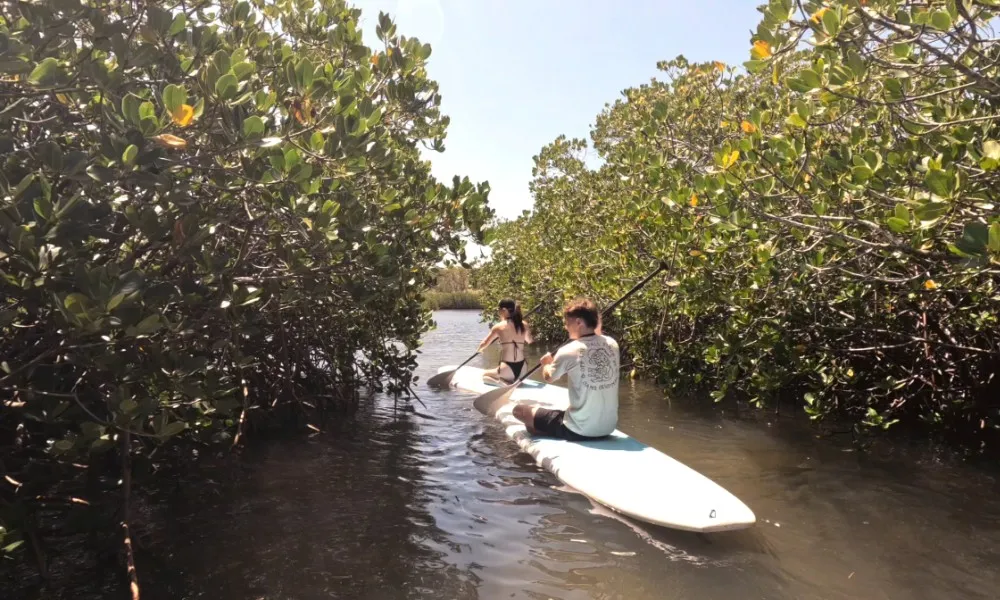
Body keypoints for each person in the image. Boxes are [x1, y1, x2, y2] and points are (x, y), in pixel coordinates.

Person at [512, 298, 620, 441]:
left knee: (519, 411)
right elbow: (597, 334)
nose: (565, 326)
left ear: (579, 322)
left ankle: (554, 432)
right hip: (608, 428)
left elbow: (549, 377)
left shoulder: (567, 350)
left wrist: (546, 364)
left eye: (567, 322)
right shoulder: (612, 344)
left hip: (578, 430)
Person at [477, 299, 533, 384]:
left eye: (498, 310)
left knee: (484, 376)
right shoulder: (524, 324)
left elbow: (484, 343)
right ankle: (513, 380)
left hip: (507, 369)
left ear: (504, 310)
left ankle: (502, 384)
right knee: (499, 373)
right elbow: (530, 340)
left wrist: (479, 349)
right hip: (523, 369)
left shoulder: (498, 327)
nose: (498, 312)